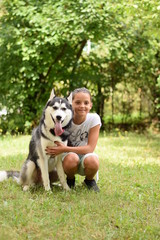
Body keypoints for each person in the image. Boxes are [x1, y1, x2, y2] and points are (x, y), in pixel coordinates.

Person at [46, 87, 101, 192]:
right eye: (78, 102)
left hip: (84, 155)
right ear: (71, 104)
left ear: (90, 105)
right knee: (72, 158)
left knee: (93, 160)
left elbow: (90, 148)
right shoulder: (63, 118)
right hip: (67, 159)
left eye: (86, 103)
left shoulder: (94, 119)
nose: (82, 106)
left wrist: (64, 148)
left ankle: (89, 181)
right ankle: (70, 179)